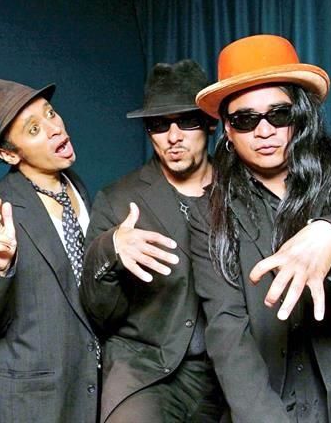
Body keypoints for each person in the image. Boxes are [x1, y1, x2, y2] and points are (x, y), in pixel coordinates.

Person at [190, 34, 331, 422]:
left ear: (301, 115)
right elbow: (228, 335)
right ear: (228, 131)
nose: (264, 131)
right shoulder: (209, 213)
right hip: (272, 408)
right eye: (245, 120)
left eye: (279, 114)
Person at [80, 60, 227, 422]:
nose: (173, 136)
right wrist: (110, 249)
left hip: (224, 371)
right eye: (159, 125)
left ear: (210, 123)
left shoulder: (238, 190)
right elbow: (98, 312)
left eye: (186, 121)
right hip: (145, 369)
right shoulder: (118, 199)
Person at [0, 78, 100, 422]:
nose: (55, 129)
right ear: (9, 154)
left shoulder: (78, 188)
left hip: (92, 389)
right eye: (34, 129)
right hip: (32, 403)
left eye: (50, 113)